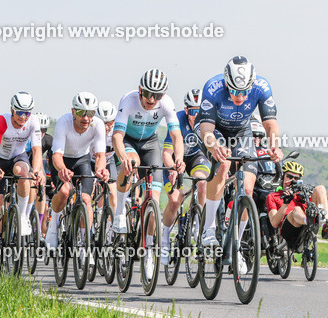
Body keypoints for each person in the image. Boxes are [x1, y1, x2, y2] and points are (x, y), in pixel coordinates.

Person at [196, 55, 282, 249]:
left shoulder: (262, 87)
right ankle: (209, 228)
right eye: (234, 91)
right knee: (223, 164)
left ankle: (237, 245)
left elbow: (270, 124)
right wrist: (214, 146)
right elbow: (206, 130)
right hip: (214, 128)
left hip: (242, 130)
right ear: (227, 82)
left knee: (248, 188)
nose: (240, 97)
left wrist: (275, 146)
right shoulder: (213, 87)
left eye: (244, 92)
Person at [111, 69, 184, 239]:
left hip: (150, 143)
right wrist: (123, 158)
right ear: (140, 90)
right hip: (128, 140)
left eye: (157, 95)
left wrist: (178, 157)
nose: (152, 99)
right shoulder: (128, 100)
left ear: (163, 95)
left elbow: (176, 135)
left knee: (155, 201)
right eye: (148, 93)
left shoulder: (166, 103)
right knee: (132, 162)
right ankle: (120, 212)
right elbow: (117, 136)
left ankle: (149, 250)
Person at [0, 92, 45, 270]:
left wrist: (37, 170)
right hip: (0, 160)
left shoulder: (33, 122)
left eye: (27, 113)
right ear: (11, 109)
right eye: (19, 112)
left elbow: (37, 150)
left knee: (24, 173)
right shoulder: (1, 121)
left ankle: (23, 217)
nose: (23, 117)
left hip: (18, 157)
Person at [46, 92, 108, 250]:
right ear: (73, 112)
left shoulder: (98, 124)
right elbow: (57, 155)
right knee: (65, 191)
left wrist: (101, 170)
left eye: (90, 113)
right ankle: (53, 225)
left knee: (87, 200)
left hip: (82, 160)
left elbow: (100, 155)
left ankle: (84, 242)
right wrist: (62, 169)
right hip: (61, 160)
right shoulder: (63, 122)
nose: (86, 118)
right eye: (81, 113)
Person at [159, 88, 208, 265]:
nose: (197, 115)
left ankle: (197, 221)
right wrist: (172, 169)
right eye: (193, 111)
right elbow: (166, 152)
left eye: (200, 111)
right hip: (174, 159)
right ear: (186, 110)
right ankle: (164, 240)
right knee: (174, 200)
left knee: (202, 183)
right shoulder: (177, 119)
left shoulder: (208, 122)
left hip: (195, 157)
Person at [265, 160, 328, 251]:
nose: (292, 181)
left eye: (296, 178)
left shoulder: (302, 195)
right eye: (289, 177)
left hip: (304, 228)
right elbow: (274, 223)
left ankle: (324, 223)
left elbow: (316, 203)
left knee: (320, 188)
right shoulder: (273, 196)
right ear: (283, 177)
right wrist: (285, 203)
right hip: (288, 230)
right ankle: (309, 221)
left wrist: (306, 195)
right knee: (296, 210)